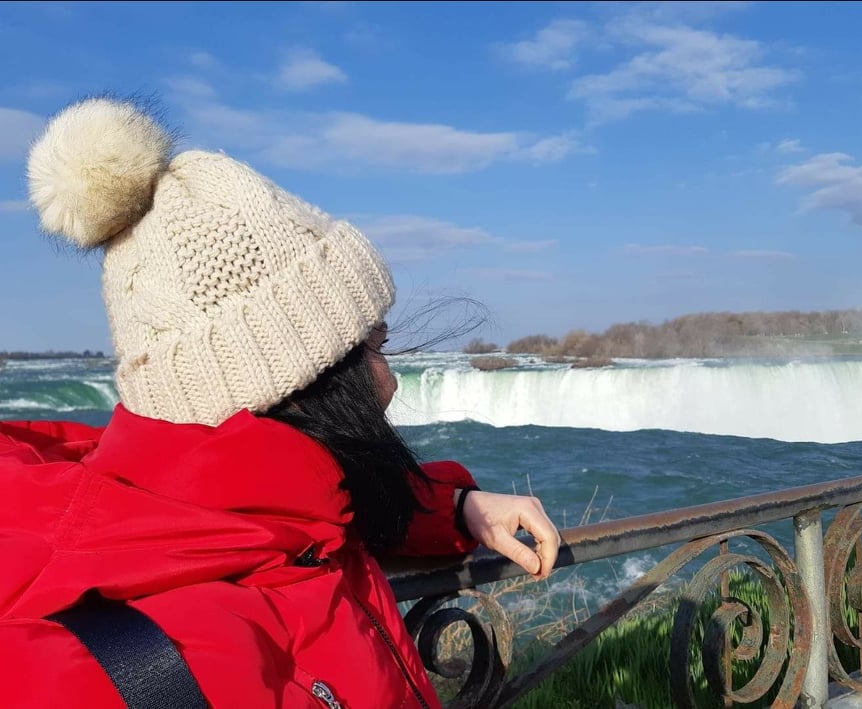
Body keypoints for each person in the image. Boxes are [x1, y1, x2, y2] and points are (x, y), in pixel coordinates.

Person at [0, 97, 560, 708]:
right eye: (375, 347)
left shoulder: (265, 527)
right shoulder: (112, 674)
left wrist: (454, 507)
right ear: (302, 380)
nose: (391, 381)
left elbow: (293, 492)